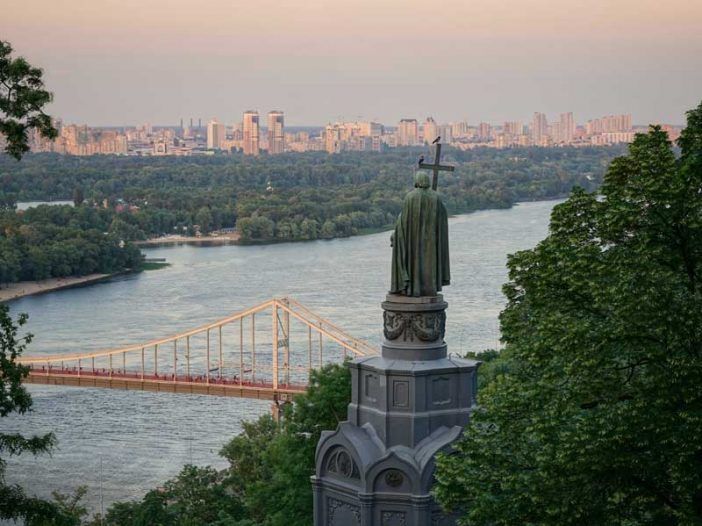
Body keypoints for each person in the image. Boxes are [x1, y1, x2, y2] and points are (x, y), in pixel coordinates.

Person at [390, 171, 450, 297]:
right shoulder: (436, 197)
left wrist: (397, 233)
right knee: (429, 263)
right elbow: (442, 218)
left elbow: (404, 221)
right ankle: (429, 288)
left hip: (413, 241)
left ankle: (412, 288)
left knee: (413, 261)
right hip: (431, 240)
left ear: (417, 181)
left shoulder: (410, 197)